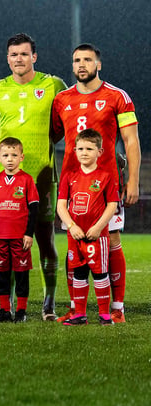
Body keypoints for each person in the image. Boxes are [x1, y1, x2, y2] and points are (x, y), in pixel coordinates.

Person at [52, 43, 139, 323]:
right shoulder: (62, 99)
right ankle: (77, 309)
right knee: (73, 244)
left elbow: (131, 140)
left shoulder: (117, 96)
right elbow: (53, 137)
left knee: (111, 239)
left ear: (98, 64)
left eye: (88, 60)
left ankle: (117, 308)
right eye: (77, 60)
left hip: (106, 186)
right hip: (72, 185)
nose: (81, 65)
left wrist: (134, 180)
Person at [0, 33, 67, 321]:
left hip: (42, 175)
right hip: (3, 181)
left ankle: (49, 302)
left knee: (44, 237)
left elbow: (63, 124)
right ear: (7, 58)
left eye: (24, 54)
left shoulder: (53, 84)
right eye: (13, 54)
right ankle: (7, 306)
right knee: (4, 243)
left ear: (35, 56)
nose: (18, 59)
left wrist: (47, 145)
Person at [56, 129, 119, 326]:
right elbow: (61, 205)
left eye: (90, 149)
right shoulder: (69, 176)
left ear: (100, 152)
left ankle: (104, 315)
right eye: (81, 148)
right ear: (74, 150)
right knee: (79, 274)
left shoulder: (106, 176)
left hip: (96, 236)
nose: (84, 152)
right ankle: (79, 315)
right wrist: (71, 226)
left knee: (100, 273)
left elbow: (112, 205)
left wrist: (99, 227)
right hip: (75, 235)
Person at [0, 137, 39, 323]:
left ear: (21, 157)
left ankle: (21, 312)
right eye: (5, 155)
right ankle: (5, 311)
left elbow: (34, 209)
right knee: (2, 275)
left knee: (22, 275)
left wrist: (29, 234)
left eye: (14, 155)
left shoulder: (27, 180)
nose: (10, 159)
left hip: (19, 238)